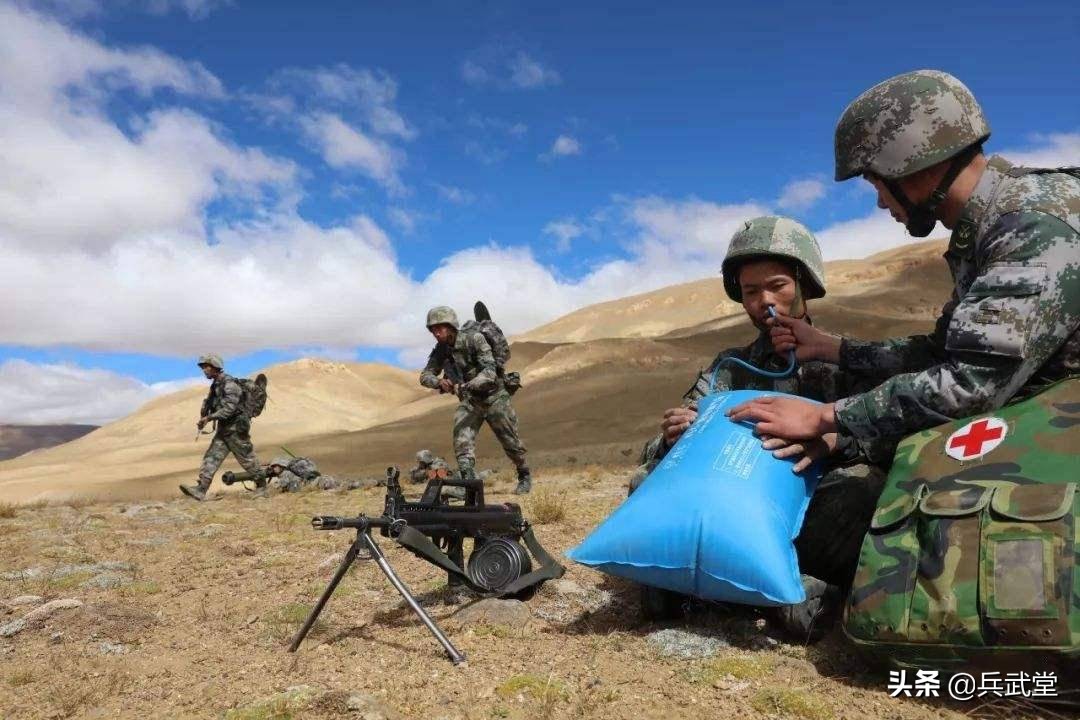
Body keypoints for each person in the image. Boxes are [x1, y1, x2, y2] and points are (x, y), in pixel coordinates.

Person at [729, 70, 1080, 472]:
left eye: (876, 183)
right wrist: (834, 349)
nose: (880, 203)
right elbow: (941, 352)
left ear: (911, 164)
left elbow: (970, 386)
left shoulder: (1030, 225)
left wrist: (824, 417)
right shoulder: (991, 226)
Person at [632, 216, 891, 639]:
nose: (764, 301)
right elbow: (659, 449)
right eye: (751, 292)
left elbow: (895, 430)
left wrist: (833, 440)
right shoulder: (727, 367)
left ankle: (724, 588)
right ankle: (773, 592)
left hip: (814, 498)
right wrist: (671, 439)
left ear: (805, 283)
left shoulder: (848, 356)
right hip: (739, 500)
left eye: (777, 286)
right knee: (645, 482)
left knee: (863, 493)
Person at [420, 306, 533, 495]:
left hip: (495, 397)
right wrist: (439, 382)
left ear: (450, 326)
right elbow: (424, 376)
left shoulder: (474, 339)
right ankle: (469, 486)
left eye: (440, 328)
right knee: (461, 441)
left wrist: (467, 385)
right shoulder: (441, 350)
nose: (436, 332)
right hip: (471, 402)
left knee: (511, 444)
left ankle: (524, 475)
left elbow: (489, 371)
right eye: (433, 329)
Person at [180, 354, 265, 501]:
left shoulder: (229, 385)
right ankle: (201, 489)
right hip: (224, 430)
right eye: (203, 367)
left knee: (247, 459)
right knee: (211, 458)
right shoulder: (216, 385)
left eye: (207, 367)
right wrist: (205, 417)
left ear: (215, 367)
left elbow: (229, 409)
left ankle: (262, 487)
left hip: (236, 429)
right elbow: (215, 406)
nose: (204, 370)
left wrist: (209, 418)